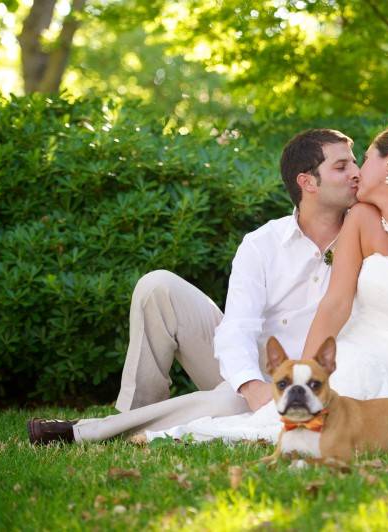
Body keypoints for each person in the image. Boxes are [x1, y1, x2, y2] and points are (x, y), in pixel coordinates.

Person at [144, 126, 388, 444]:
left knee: (351, 409)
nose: (357, 172)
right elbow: (335, 305)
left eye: (363, 160)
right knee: (325, 395)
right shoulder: (362, 219)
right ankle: (176, 429)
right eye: (346, 164)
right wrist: (304, 373)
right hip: (351, 355)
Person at [26, 128, 360, 444]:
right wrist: (251, 384)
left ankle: (96, 431)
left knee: (228, 406)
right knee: (158, 287)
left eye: (355, 162)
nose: (356, 173)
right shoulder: (262, 243)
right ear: (307, 182)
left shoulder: (367, 238)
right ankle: (136, 413)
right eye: (342, 166)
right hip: (255, 367)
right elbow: (238, 326)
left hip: (317, 379)